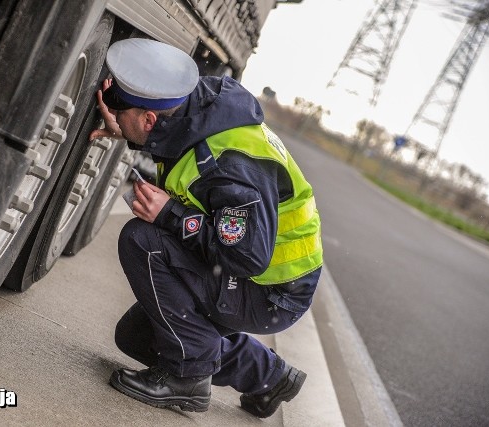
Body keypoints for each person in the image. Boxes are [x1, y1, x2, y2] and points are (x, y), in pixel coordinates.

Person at [90, 38, 323, 418]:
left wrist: (170, 215)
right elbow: (179, 141)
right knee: (137, 337)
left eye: (122, 110)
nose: (113, 112)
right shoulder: (202, 109)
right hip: (257, 278)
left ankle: (189, 380)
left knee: (142, 241)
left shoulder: (230, 164)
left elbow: (246, 256)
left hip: (271, 291)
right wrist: (128, 131)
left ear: (150, 118)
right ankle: (271, 376)